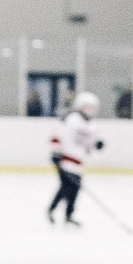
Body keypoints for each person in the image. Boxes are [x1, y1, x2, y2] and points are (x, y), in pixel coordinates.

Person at [47, 89, 103, 225]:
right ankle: (54, 210)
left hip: (78, 163)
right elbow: (57, 135)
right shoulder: (71, 119)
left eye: (92, 108)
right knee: (67, 187)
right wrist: (55, 152)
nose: (89, 110)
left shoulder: (92, 125)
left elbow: (89, 144)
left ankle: (65, 214)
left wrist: (97, 144)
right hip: (65, 159)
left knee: (74, 189)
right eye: (87, 107)